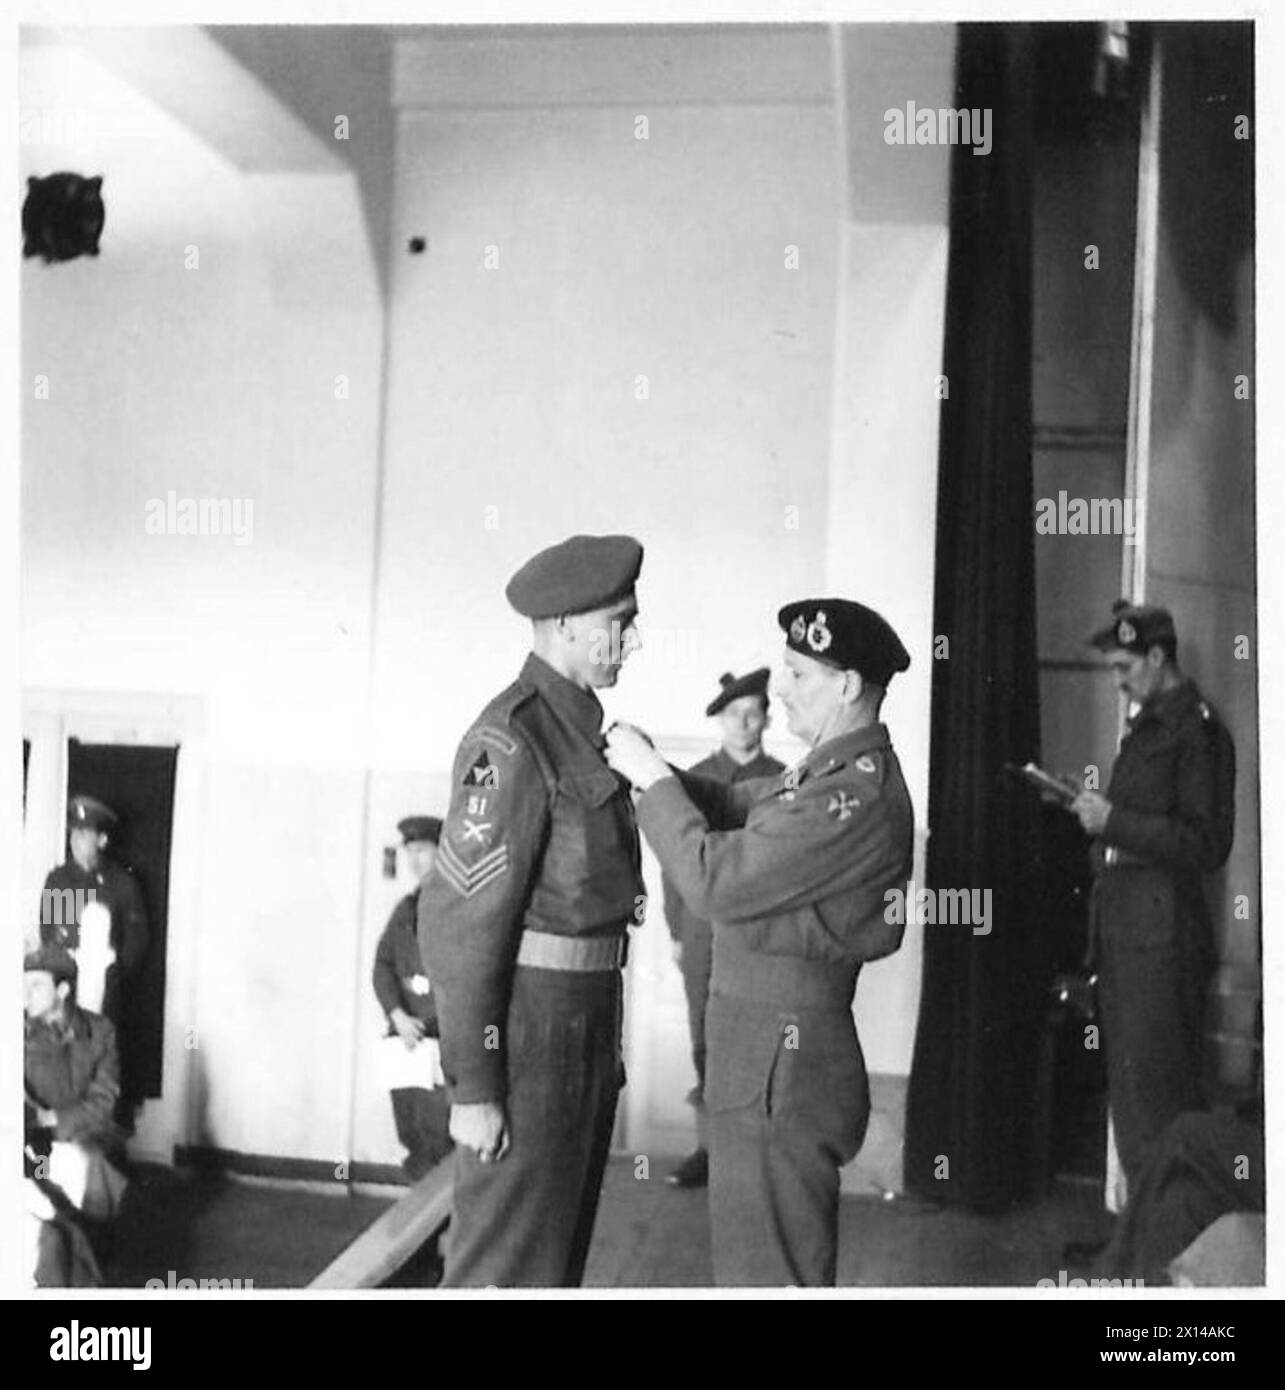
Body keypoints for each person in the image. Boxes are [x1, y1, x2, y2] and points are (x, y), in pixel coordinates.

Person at [606, 598, 913, 1286]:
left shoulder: (852, 795)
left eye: (797, 675)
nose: (779, 691)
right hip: (769, 1051)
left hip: (781, 1059)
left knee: (766, 1273)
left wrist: (652, 780)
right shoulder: (825, 775)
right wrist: (656, 769)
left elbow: (714, 880)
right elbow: (741, 806)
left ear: (846, 686)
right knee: (760, 1263)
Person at [418, 533, 645, 1287]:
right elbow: (459, 927)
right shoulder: (510, 741)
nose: (632, 641)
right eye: (620, 622)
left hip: (582, 1021)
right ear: (563, 626)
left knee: (551, 1268)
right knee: (501, 1269)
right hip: (528, 1038)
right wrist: (475, 1088)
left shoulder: (581, 733)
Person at [1069, 601, 1235, 1186]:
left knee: (1160, 1101)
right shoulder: (1149, 725)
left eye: (1124, 668)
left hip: (1161, 946)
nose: (1118, 682)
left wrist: (1112, 822)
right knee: (1134, 1101)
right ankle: (1136, 1244)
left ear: (1158, 657)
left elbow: (1205, 842)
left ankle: (1163, 1252)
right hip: (1128, 936)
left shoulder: (1198, 731)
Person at [662, 667, 783, 1189]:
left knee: (757, 1036)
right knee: (704, 1036)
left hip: (756, 930)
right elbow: (674, 859)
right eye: (733, 714)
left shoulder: (785, 779)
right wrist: (676, 928)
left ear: (767, 719)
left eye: (753, 712)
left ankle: (752, 1154)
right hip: (702, 928)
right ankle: (710, 1150)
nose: (743, 723)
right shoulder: (694, 779)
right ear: (719, 721)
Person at [40, 795, 148, 1128]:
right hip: (69, 994)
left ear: (102, 840)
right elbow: (52, 937)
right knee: (65, 1070)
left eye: (85, 833)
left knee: (103, 1071)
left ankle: (104, 1153)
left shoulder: (121, 883)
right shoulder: (60, 881)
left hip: (107, 996)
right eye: (73, 832)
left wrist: (116, 974)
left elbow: (137, 937)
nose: (75, 839)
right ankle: (58, 1151)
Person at [24, 944, 129, 1258]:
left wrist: (54, 1119)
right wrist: (35, 1121)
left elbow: (104, 1100)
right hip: (34, 1133)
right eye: (22, 986)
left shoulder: (100, 1031)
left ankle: (93, 1253)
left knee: (93, 1161)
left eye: (36, 985)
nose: (25, 995)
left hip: (87, 1130)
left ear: (63, 989)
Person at [372, 815, 453, 1181]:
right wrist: (397, 1015)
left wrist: (429, 1021)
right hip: (405, 1040)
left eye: (422, 850)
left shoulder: (460, 908)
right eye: (410, 852)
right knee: (411, 1133)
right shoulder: (406, 909)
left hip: (441, 1040)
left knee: (443, 1139)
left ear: (442, 851)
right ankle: (415, 1231)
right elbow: (383, 966)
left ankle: (445, 1230)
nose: (415, 860)